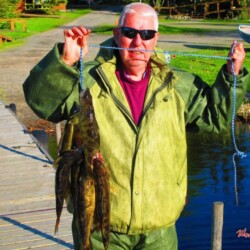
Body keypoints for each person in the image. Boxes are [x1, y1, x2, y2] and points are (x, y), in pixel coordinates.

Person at [23, 3, 249, 249]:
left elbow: (215, 117)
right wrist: (65, 61)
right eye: (130, 33)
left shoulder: (177, 84)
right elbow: (42, 104)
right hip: (100, 228)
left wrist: (231, 75)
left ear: (156, 38)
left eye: (147, 34)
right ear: (117, 33)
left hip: (159, 230)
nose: (138, 42)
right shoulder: (88, 80)